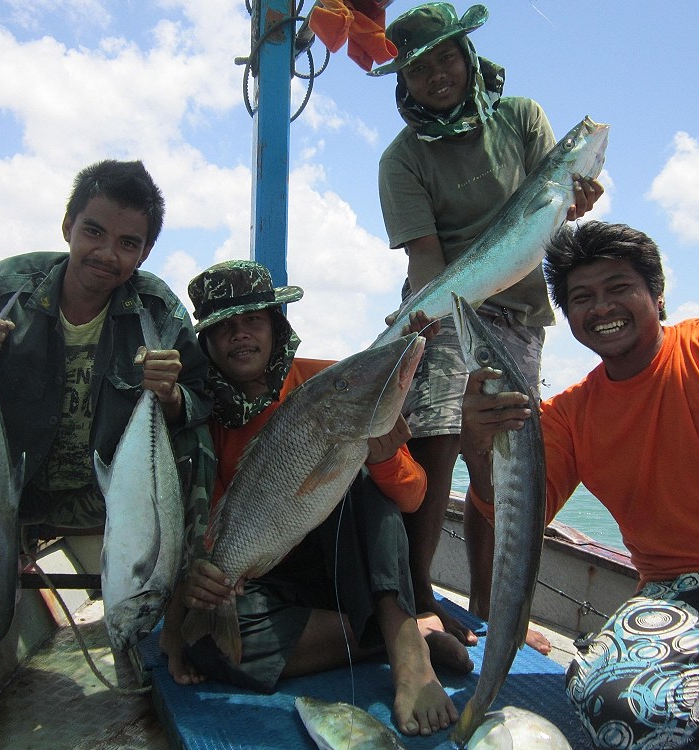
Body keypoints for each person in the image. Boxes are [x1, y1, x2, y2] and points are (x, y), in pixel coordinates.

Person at [459, 220, 699, 749]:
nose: (601, 308)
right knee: (612, 702)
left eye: (619, 288)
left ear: (657, 295)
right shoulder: (568, 417)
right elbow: (504, 511)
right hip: (682, 591)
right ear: (569, 316)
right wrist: (479, 445)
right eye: (582, 297)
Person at [0, 159, 215, 666]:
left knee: (195, 438)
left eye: (128, 243)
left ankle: (172, 610)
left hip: (104, 498)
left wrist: (170, 396)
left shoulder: (156, 309)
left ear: (144, 252)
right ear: (67, 227)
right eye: (93, 232)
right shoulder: (7, 286)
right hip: (9, 492)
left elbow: (201, 395)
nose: (107, 253)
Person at [369, 2, 603, 651]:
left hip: (522, 313)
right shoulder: (402, 160)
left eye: (446, 56)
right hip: (441, 301)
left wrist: (573, 206)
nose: (437, 75)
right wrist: (433, 322)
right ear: (403, 82)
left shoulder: (523, 118)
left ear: (468, 54)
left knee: (500, 460)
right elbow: (426, 261)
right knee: (440, 429)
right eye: (420, 69)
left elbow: (543, 220)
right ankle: (418, 596)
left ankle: (491, 603)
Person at [158, 260, 473, 737]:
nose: (240, 336)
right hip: (272, 577)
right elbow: (209, 524)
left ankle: (408, 650)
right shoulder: (203, 417)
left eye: (253, 321)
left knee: (363, 478)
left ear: (276, 326)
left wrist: (384, 459)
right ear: (206, 342)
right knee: (211, 645)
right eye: (224, 327)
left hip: (342, 567)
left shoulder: (328, 381)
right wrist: (197, 587)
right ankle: (394, 639)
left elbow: (412, 499)